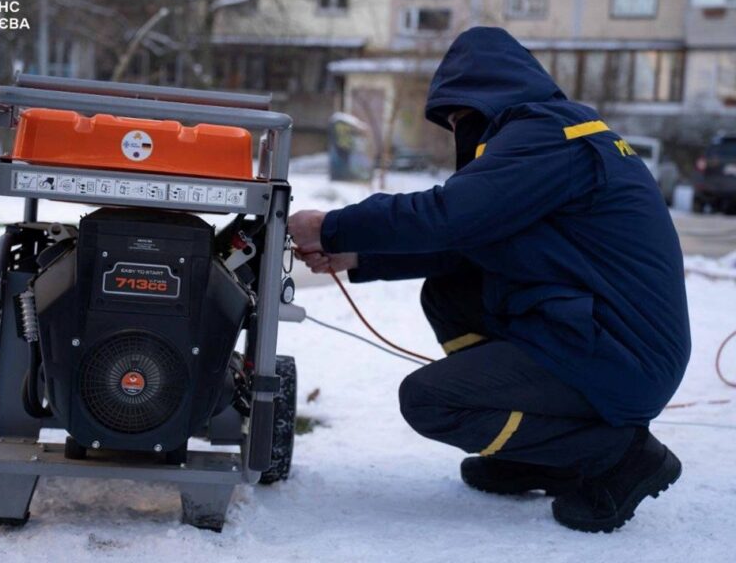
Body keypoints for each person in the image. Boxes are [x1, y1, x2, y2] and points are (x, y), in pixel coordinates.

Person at [287, 27, 690, 533]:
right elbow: (471, 244)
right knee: (451, 294)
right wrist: (360, 256)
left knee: (430, 401)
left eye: (460, 119)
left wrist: (332, 226)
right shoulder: (554, 133)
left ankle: (619, 454)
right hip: (599, 337)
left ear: (485, 99)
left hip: (621, 356)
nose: (459, 132)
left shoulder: (549, 138)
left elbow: (451, 215)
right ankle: (537, 453)